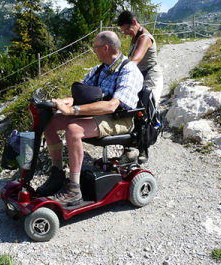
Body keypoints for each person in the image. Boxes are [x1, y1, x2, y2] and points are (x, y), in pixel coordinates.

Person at [36, 31, 144, 207]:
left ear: (106, 48)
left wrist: (73, 111)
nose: (94, 51)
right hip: (99, 114)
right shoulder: (99, 70)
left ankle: (74, 189)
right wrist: (58, 102)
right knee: (50, 123)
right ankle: (57, 174)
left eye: (96, 47)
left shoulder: (129, 70)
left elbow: (111, 106)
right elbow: (82, 98)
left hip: (120, 118)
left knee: (73, 129)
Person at [117, 10, 163, 106]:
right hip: (141, 76)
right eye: (123, 31)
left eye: (126, 29)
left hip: (151, 77)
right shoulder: (135, 37)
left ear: (134, 22)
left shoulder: (144, 38)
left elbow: (135, 60)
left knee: (149, 107)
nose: (125, 33)